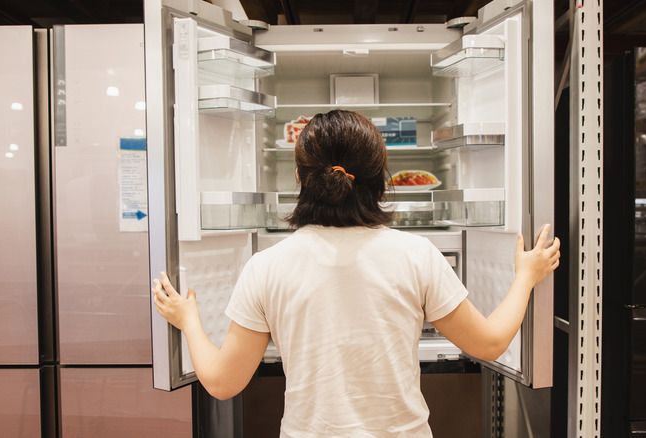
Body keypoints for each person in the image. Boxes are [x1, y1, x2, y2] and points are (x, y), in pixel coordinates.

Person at [152, 110, 560, 437]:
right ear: (380, 179)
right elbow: (489, 343)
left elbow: (223, 383)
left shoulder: (267, 266)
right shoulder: (416, 254)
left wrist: (189, 321)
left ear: (300, 177)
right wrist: (525, 277)